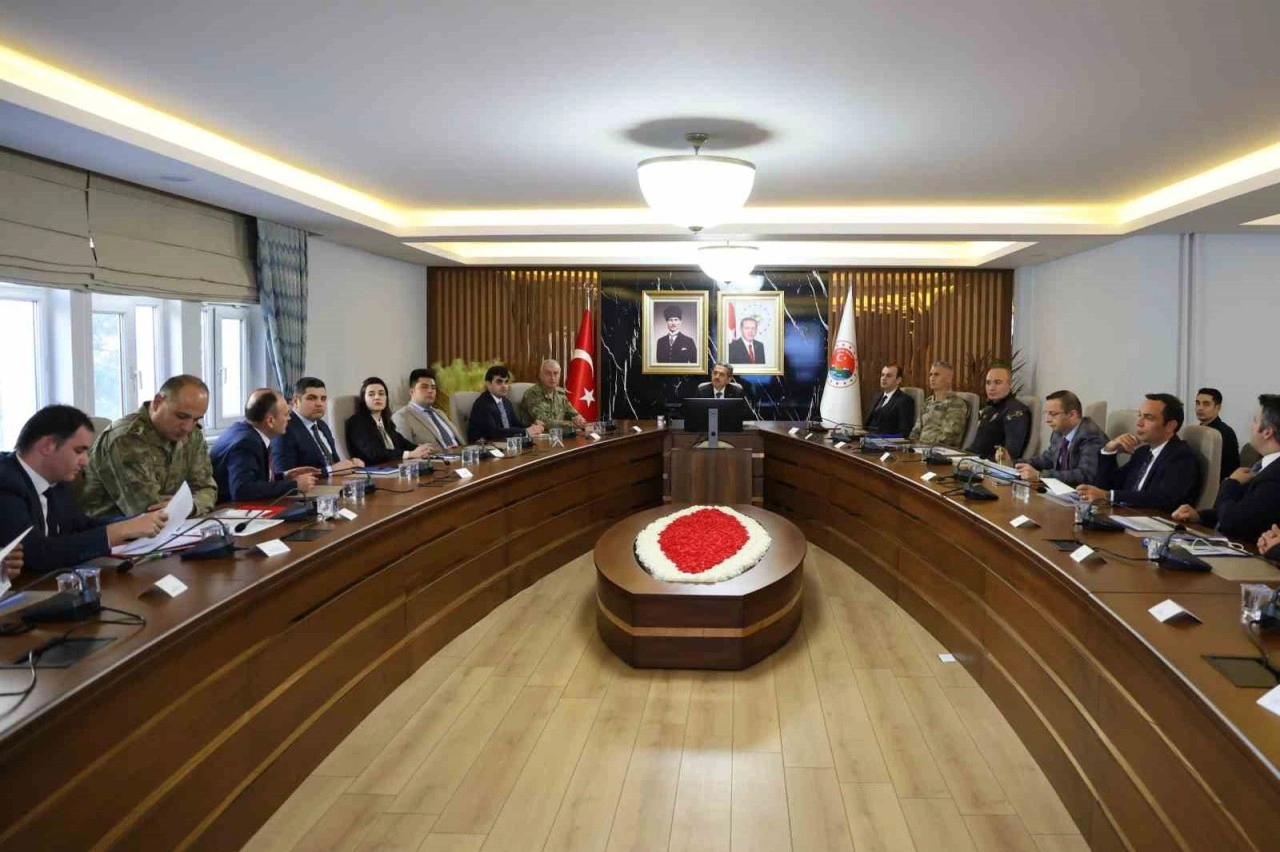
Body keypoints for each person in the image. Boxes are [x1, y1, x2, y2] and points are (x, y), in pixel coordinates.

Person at [0, 406, 167, 572]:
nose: (86, 461)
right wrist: (119, 531)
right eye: (79, 451)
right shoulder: (6, 482)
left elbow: (80, 525)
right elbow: (35, 554)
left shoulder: (58, 479)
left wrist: (138, 522)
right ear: (48, 446)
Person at [78, 374, 219, 518]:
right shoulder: (126, 439)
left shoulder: (192, 435)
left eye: (196, 420)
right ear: (158, 402)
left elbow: (207, 488)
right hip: (116, 527)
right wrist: (183, 505)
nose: (187, 427)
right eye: (181, 416)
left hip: (174, 525)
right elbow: (149, 510)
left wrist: (191, 506)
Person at [1172, 394, 1280, 540]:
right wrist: (1200, 516)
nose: (1251, 426)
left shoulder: (1274, 478)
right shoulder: (1264, 465)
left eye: (1255, 421)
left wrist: (1230, 483)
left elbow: (1233, 523)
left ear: (1267, 432)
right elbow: (1243, 509)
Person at [1077, 394, 1200, 511]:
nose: (1139, 423)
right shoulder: (1143, 452)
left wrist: (1108, 495)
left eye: (1148, 417)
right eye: (1140, 415)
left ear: (1170, 426)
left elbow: (1163, 498)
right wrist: (1109, 450)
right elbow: (1107, 486)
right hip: (1125, 515)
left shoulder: (1182, 456)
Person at [211, 389, 321, 503]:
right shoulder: (246, 443)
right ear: (270, 421)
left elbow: (254, 480)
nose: (289, 418)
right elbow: (242, 490)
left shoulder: (246, 431)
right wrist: (294, 485)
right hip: (228, 509)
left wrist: (284, 476)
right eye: (286, 414)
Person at [271, 377, 365, 476]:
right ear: (295, 401)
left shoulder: (322, 425)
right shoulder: (284, 429)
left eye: (323, 399)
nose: (319, 404)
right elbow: (284, 475)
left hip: (336, 481)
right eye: (312, 398)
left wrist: (350, 464)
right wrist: (329, 471)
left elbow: (334, 464)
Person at [1013, 390, 1106, 486]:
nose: (1047, 420)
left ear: (1072, 415)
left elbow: (1085, 475)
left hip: (1084, 493)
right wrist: (1013, 464)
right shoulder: (1059, 433)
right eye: (1046, 413)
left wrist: (1040, 476)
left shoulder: (1090, 435)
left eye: (1053, 414)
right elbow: (1046, 459)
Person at [347, 377, 435, 464]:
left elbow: (402, 442)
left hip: (393, 467)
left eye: (381, 394)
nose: (377, 397)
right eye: (371, 394)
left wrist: (422, 449)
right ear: (364, 399)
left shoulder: (385, 422)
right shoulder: (357, 422)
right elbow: (374, 453)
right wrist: (410, 454)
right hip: (373, 469)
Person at [393, 368, 467, 450]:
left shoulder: (440, 413)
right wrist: (445, 453)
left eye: (433, 387)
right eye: (424, 387)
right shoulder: (402, 417)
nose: (430, 391)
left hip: (462, 454)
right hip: (438, 458)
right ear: (412, 392)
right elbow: (405, 453)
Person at [468, 365, 545, 442]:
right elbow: (494, 432)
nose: (504, 386)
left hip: (504, 443)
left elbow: (516, 424)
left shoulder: (506, 402)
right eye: (499, 382)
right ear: (488, 384)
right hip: (484, 445)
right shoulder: (483, 404)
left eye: (506, 382)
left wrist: (532, 426)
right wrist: (525, 431)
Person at [969, 365, 1030, 461]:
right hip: (973, 460)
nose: (991, 388)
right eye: (988, 383)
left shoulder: (1015, 411)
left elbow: (1009, 454)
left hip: (990, 465)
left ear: (1009, 384)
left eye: (997, 382)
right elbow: (976, 447)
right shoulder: (989, 409)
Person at [908, 360, 969, 447]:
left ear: (949, 378)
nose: (932, 378)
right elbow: (916, 430)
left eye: (936, 375)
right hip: (920, 448)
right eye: (930, 374)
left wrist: (926, 448)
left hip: (940, 450)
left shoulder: (956, 404)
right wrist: (911, 445)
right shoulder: (927, 402)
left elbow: (949, 435)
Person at [518, 359, 588, 430]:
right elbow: (544, 422)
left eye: (556, 373)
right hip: (538, 435)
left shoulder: (560, 394)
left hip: (558, 434)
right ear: (540, 375)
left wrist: (579, 420)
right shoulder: (532, 394)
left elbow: (572, 413)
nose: (552, 377)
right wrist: (572, 424)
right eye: (548, 373)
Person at [1194, 387, 1241, 475]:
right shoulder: (1196, 431)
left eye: (1206, 404)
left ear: (1218, 408)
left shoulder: (1224, 433)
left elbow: (1229, 469)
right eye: (1197, 403)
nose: (1200, 408)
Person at [864, 364, 915, 436]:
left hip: (886, 441)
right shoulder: (876, 397)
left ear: (898, 380)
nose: (883, 378)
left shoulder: (904, 401)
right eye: (882, 375)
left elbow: (904, 432)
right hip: (866, 437)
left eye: (888, 376)